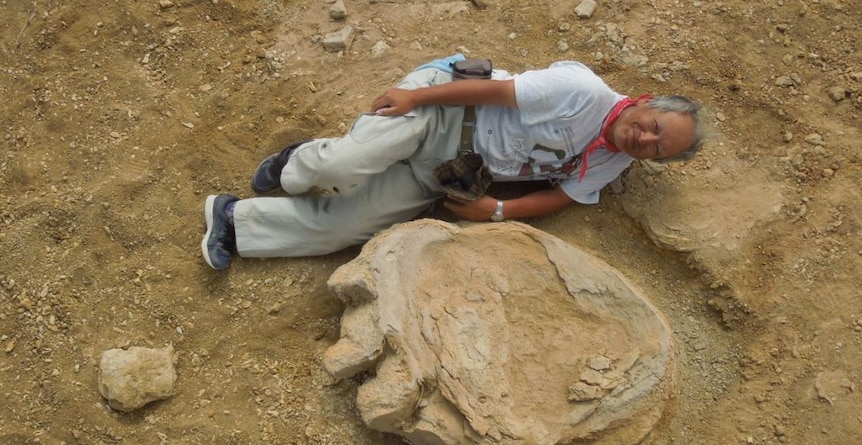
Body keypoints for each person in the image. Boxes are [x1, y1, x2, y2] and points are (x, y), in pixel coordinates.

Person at [201, 54, 704, 270]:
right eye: (654, 126)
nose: (645, 139)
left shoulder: (614, 162)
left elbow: (562, 195)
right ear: (646, 100)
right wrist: (417, 99)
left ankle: (232, 222)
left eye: (659, 149)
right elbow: (493, 90)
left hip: (448, 173)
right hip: (445, 111)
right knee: (347, 163)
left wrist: (498, 211)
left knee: (347, 228)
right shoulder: (583, 91)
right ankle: (295, 162)